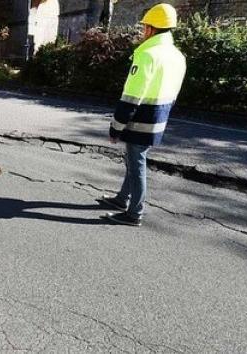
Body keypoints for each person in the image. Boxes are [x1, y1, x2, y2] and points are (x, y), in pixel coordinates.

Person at [99, 3, 187, 226]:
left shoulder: (148, 54)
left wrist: (116, 127)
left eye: (144, 26)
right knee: (133, 159)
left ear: (151, 28)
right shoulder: (178, 56)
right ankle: (121, 199)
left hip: (140, 119)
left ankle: (134, 213)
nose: (142, 31)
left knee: (136, 164)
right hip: (159, 118)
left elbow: (132, 96)